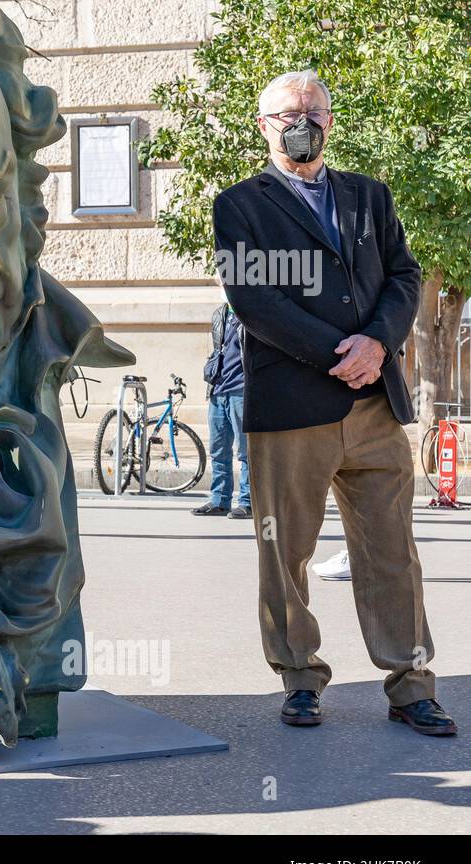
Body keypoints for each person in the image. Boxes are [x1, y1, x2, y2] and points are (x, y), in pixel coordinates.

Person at [213, 70, 454, 736]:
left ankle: (411, 685)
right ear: (263, 124)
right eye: (291, 111)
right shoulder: (240, 204)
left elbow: (403, 275)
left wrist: (376, 344)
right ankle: (299, 677)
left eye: (317, 109)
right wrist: (337, 353)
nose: (306, 120)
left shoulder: (369, 197)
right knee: (284, 550)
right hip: (293, 406)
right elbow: (255, 300)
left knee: (391, 549)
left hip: (374, 403)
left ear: (330, 120)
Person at [194, 302, 251, 519]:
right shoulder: (220, 313)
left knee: (246, 451)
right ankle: (219, 500)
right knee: (218, 450)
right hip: (218, 389)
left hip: (242, 389)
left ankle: (248, 501)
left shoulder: (251, 310)